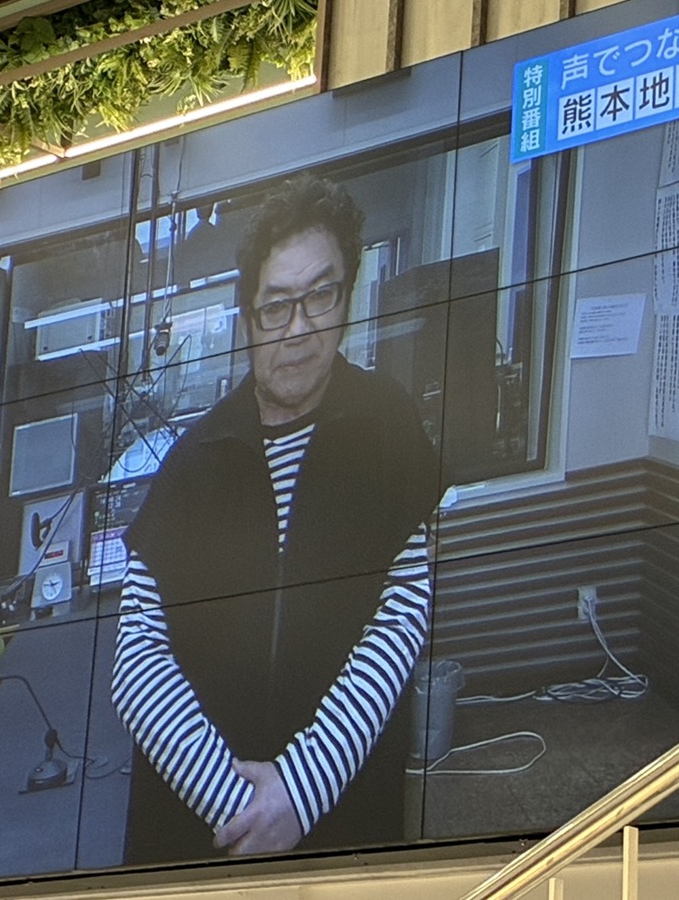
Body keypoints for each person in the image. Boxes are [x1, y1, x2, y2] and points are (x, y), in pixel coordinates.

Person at [111, 173, 441, 864]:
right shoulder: (195, 457)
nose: (299, 330)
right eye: (276, 306)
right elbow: (137, 657)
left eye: (321, 296)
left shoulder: (387, 425)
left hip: (341, 816)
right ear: (246, 318)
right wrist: (243, 814)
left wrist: (297, 793)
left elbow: (403, 615)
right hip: (203, 834)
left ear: (347, 297)